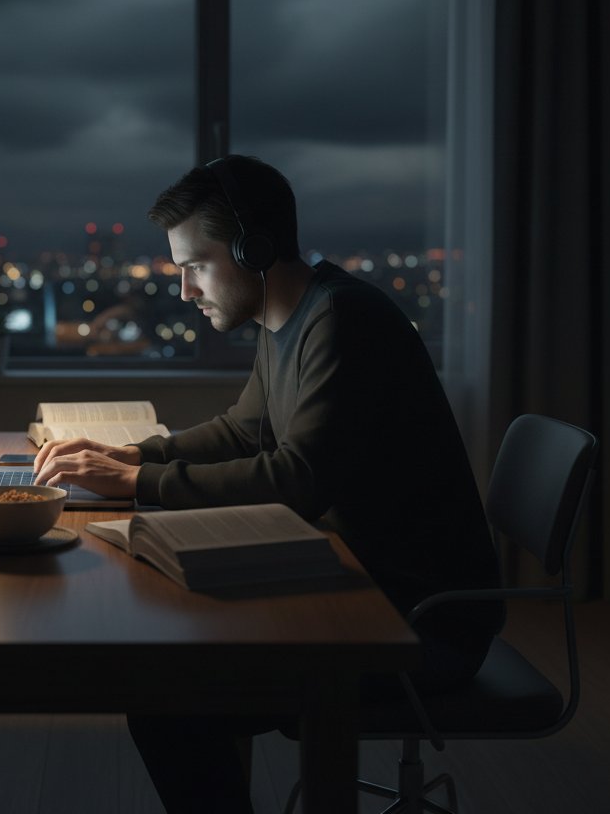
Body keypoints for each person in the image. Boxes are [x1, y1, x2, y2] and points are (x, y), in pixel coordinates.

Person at [34, 155, 503, 813]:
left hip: (414, 618)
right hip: (354, 584)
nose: (186, 291)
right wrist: (130, 454)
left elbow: (297, 480)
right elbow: (243, 431)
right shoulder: (292, 317)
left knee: (170, 704)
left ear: (255, 247)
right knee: (175, 671)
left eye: (196, 267)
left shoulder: (342, 321)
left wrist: (137, 480)